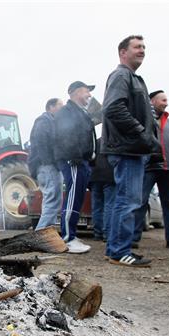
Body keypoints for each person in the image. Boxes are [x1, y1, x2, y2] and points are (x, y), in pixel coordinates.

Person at [102, 35, 161, 267]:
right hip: (128, 149)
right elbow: (113, 108)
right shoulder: (121, 75)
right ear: (122, 52)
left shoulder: (135, 78)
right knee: (127, 202)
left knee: (126, 201)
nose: (142, 50)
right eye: (137, 47)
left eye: (144, 47)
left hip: (134, 150)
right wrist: (141, 133)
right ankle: (118, 251)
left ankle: (117, 249)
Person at [132, 90, 169, 249]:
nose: (166, 103)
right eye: (163, 100)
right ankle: (133, 238)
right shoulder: (144, 119)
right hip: (149, 167)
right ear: (153, 101)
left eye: (166, 100)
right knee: (140, 202)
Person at [53, 81, 97, 253]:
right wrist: (75, 157)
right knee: (72, 197)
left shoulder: (81, 112)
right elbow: (65, 135)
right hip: (74, 160)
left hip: (83, 161)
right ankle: (67, 238)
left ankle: (71, 234)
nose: (89, 95)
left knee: (77, 197)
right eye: (87, 91)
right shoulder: (66, 112)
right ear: (76, 92)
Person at [27, 98, 64, 230]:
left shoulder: (50, 122)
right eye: (60, 105)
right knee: (52, 199)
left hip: (47, 165)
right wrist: (50, 162)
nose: (63, 107)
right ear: (51, 107)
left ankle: (46, 232)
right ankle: (41, 233)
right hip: (47, 166)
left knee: (52, 200)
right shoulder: (44, 121)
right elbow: (42, 142)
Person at [89, 138, 115, 242]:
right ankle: (107, 234)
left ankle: (97, 233)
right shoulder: (114, 141)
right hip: (110, 176)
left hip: (95, 176)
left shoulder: (97, 141)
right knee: (109, 205)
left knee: (96, 207)